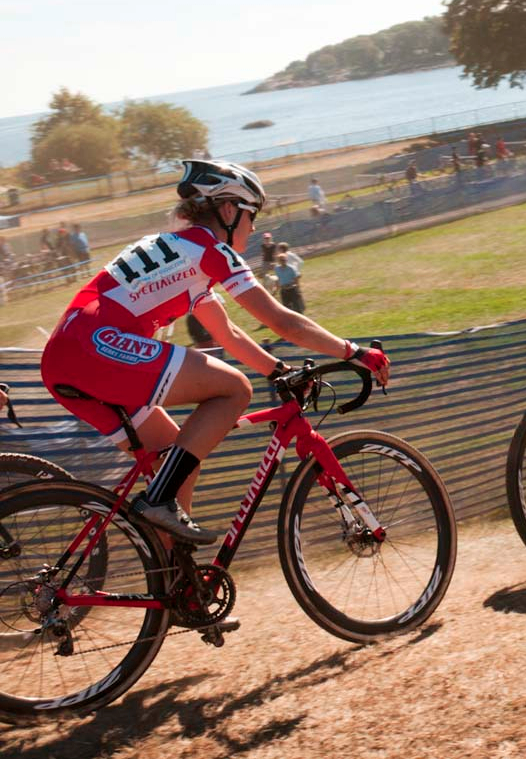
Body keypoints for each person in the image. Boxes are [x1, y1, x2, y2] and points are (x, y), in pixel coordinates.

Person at [39, 159, 390, 544]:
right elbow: (281, 321)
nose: (253, 226)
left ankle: (173, 592)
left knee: (176, 461)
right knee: (235, 389)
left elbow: (229, 333)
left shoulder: (176, 252)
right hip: (96, 345)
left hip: (65, 355)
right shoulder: (209, 249)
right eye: (250, 214)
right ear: (228, 210)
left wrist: (277, 371)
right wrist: (353, 351)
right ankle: (157, 503)